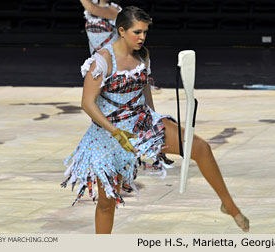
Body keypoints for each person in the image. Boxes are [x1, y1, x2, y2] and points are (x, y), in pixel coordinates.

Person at [62, 6, 250, 234]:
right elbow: (87, 104)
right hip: (109, 134)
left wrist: (154, 120)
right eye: (137, 32)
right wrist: (115, 132)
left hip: (141, 121)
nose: (142, 37)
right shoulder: (102, 61)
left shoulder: (142, 55)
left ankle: (228, 205)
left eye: (144, 32)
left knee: (200, 147)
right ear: (121, 31)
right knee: (106, 203)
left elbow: (144, 89)